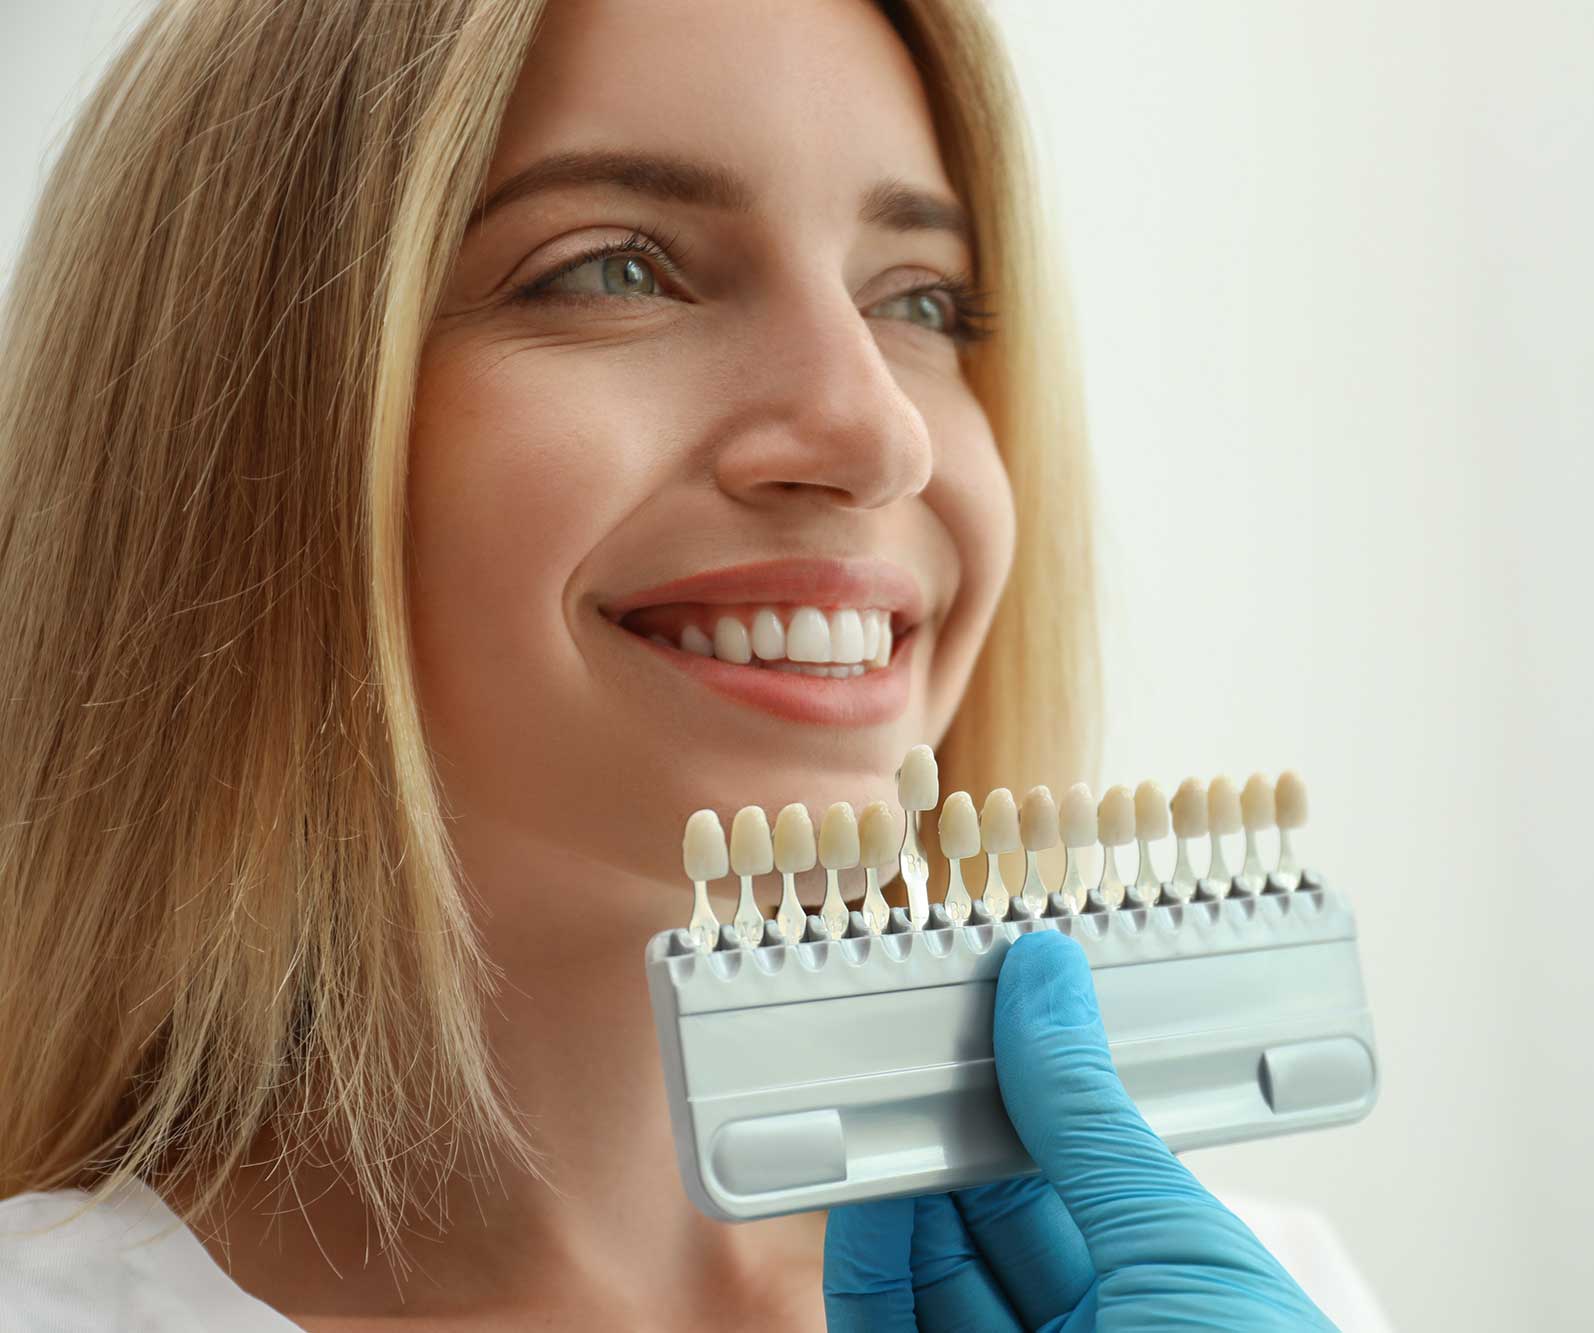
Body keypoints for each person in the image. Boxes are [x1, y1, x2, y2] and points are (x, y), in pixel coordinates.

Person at [0, 0, 1395, 1327]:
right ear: (239, 426)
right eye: (618, 267)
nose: (875, 436)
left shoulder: (1262, 1287)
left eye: (922, 301)